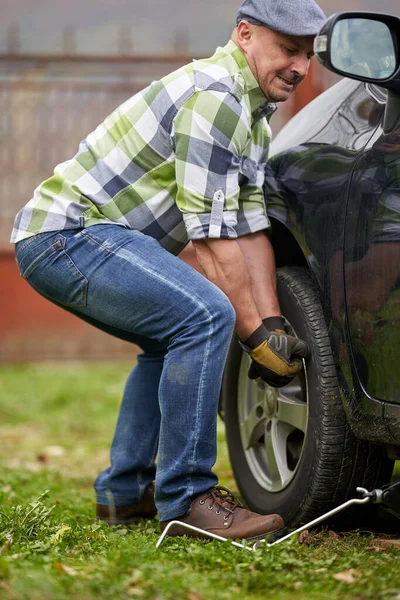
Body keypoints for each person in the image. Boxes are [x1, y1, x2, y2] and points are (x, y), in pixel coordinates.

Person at [11, 0, 325, 541]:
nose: (300, 66)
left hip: (91, 239)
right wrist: (252, 335)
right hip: (67, 236)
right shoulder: (216, 98)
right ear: (245, 35)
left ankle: (126, 491)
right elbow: (210, 240)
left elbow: (250, 229)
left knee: (168, 339)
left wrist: (273, 323)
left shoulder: (253, 113)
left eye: (308, 54)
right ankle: (187, 498)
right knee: (204, 315)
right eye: (288, 50)